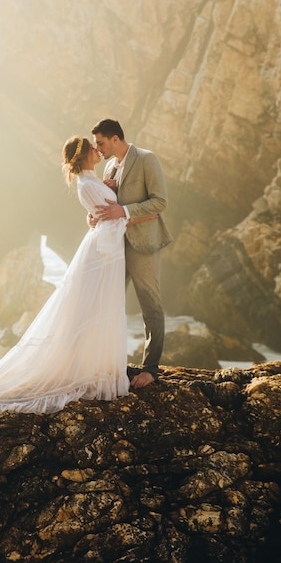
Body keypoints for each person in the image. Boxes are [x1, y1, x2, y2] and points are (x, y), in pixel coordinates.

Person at [0, 137, 129, 418]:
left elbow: (100, 213)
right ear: (83, 156)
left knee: (95, 308)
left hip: (103, 250)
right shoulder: (89, 184)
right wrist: (128, 211)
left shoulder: (91, 182)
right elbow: (112, 218)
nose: (97, 150)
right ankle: (91, 370)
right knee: (93, 307)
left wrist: (106, 204)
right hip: (104, 254)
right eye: (92, 147)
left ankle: (91, 365)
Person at [90, 119, 173, 389]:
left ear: (115, 138)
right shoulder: (109, 166)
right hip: (115, 246)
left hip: (143, 245)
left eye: (100, 143)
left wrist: (123, 212)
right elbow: (109, 206)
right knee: (110, 302)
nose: (97, 148)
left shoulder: (147, 159)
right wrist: (95, 217)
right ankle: (110, 365)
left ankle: (150, 370)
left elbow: (159, 202)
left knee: (151, 306)